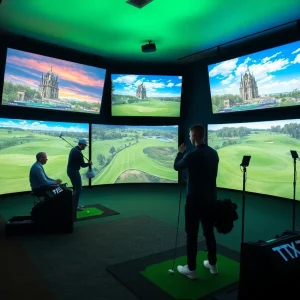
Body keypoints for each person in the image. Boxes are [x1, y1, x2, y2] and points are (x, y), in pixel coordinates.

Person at [173, 124, 219, 280]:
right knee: (209, 232)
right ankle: (212, 264)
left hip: (194, 202)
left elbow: (177, 167)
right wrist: (186, 154)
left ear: (193, 136)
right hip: (211, 200)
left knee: (191, 235)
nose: (190, 138)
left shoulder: (190, 155)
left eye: (190, 135)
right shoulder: (214, 153)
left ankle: (191, 269)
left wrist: (180, 153)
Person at [67, 139, 92, 211]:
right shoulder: (79, 153)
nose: (85, 147)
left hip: (70, 170)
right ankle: (75, 206)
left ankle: (74, 205)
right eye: (85, 145)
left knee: (76, 189)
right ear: (81, 144)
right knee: (78, 189)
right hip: (74, 172)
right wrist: (89, 164)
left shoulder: (73, 149)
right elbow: (83, 165)